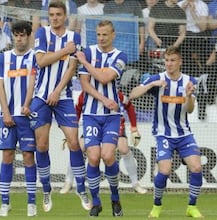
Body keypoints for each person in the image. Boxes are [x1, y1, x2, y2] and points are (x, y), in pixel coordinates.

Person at [24, 0, 91, 213]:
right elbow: (41, 62)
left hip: (63, 97)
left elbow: (72, 67)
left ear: (65, 16)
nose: (54, 18)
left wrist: (57, 91)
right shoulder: (42, 34)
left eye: (58, 15)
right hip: (41, 97)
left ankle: (81, 188)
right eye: (51, 14)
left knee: (74, 142)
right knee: (41, 145)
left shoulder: (75, 37)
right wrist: (64, 50)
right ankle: (46, 189)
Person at [129, 46, 203, 218]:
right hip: (163, 134)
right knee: (164, 170)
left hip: (184, 133)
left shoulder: (189, 82)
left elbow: (190, 110)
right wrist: (151, 84)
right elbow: (132, 94)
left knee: (197, 167)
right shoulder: (158, 79)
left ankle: (191, 207)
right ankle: (157, 206)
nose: (168, 64)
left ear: (180, 62)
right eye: (166, 60)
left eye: (172, 60)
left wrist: (189, 96)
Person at [76, 20, 127, 217]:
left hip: (112, 116)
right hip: (91, 114)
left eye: (105, 34)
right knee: (94, 157)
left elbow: (105, 79)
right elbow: (85, 83)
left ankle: (115, 197)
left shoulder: (120, 56)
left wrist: (85, 63)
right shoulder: (89, 51)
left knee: (108, 156)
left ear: (113, 35)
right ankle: (96, 202)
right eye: (98, 34)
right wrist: (104, 99)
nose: (101, 38)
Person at [60, 90, 147, 195]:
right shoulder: (85, 94)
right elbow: (77, 110)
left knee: (124, 148)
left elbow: (129, 106)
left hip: (113, 124)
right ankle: (68, 182)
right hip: (94, 124)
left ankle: (135, 183)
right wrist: (71, 132)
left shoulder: (115, 92)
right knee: (79, 148)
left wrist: (134, 128)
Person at [0, 20, 37, 217]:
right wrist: (5, 112)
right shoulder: (4, 57)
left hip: (26, 116)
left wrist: (26, 105)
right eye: (16, 35)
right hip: (8, 115)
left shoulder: (35, 57)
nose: (19, 39)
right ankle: (5, 202)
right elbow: (0, 86)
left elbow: (32, 83)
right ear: (13, 36)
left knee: (29, 156)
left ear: (28, 36)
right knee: (7, 156)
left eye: (23, 35)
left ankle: (31, 202)